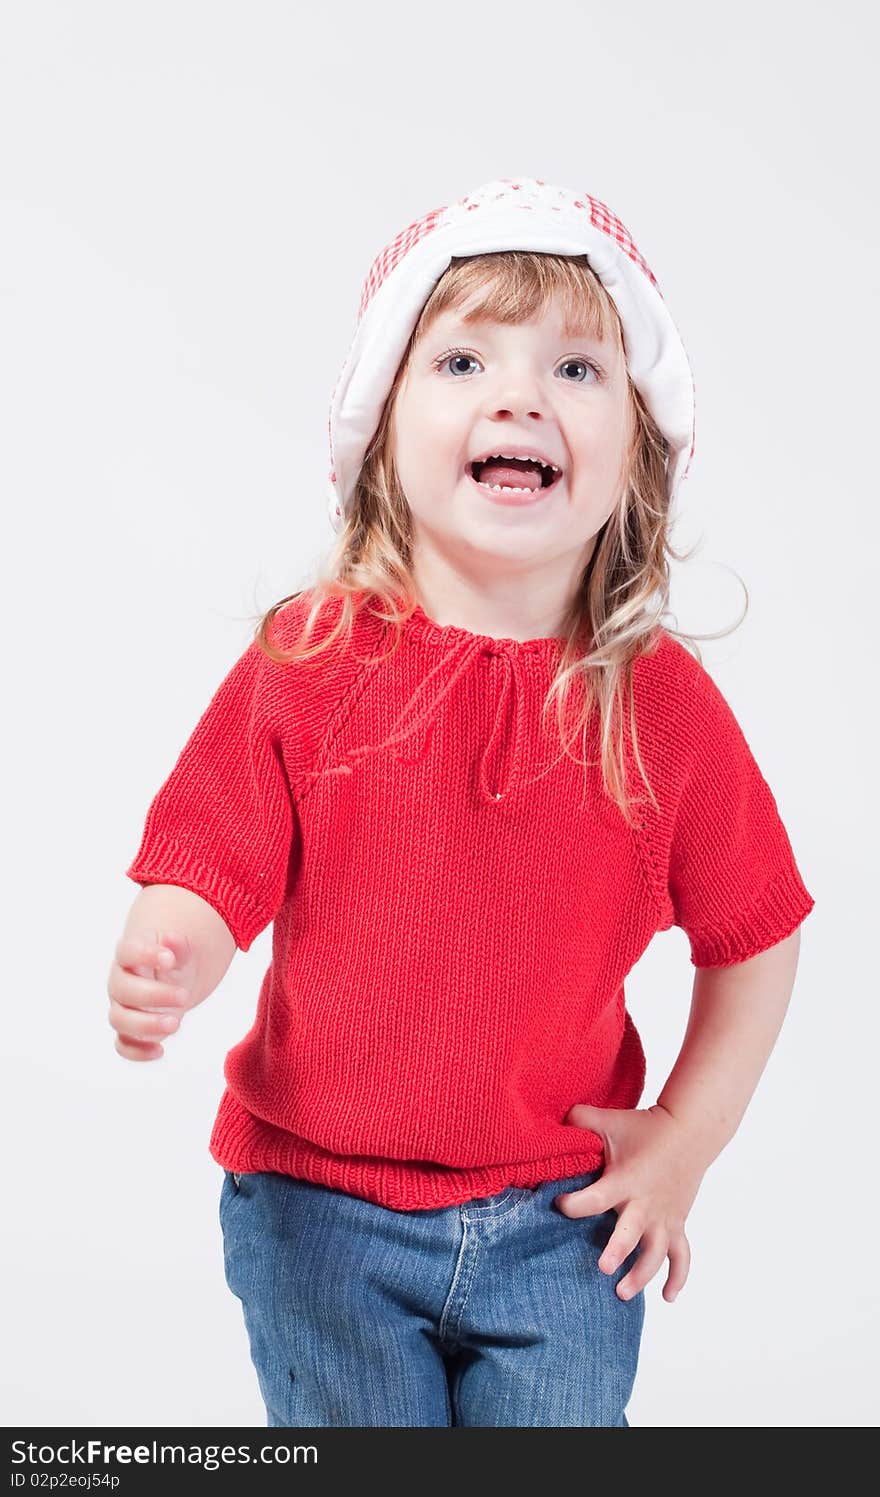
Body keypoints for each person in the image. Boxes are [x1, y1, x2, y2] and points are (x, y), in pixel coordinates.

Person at [108, 177, 816, 1428]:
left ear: (635, 460)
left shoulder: (658, 708)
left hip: (560, 1226)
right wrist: (177, 944)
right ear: (381, 429)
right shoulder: (311, 661)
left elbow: (757, 935)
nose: (519, 395)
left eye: (576, 370)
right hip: (321, 1214)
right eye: (463, 358)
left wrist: (683, 1140)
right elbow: (216, 860)